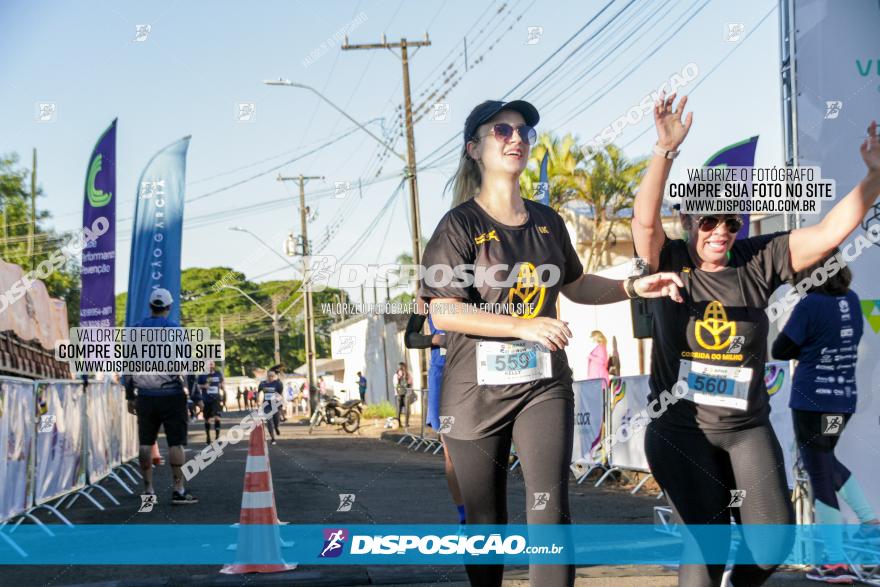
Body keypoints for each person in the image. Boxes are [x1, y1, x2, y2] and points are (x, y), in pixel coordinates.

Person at [420, 99, 683, 587]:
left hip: (542, 382)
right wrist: (522, 325)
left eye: (524, 131)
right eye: (502, 130)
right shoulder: (459, 226)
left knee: (550, 509)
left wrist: (630, 286)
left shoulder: (549, 221)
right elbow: (444, 308)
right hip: (473, 392)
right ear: (474, 148)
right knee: (485, 521)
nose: (516, 137)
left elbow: (577, 285)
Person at [633, 93, 880, 586]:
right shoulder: (670, 259)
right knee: (706, 542)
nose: (720, 232)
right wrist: (664, 151)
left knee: (771, 546)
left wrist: (874, 178)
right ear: (688, 222)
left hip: (745, 428)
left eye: (730, 222)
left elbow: (830, 231)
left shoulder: (758, 258)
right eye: (709, 221)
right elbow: (643, 221)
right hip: (680, 430)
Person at [772, 254, 880, 583]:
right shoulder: (850, 301)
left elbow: (780, 348)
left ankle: (836, 563)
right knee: (824, 461)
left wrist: (808, 346)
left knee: (819, 472)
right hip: (841, 403)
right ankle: (870, 526)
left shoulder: (809, 305)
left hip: (811, 401)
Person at [124, 288, 198, 505]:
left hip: (145, 395)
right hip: (172, 394)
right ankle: (179, 490)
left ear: (150, 307)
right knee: (176, 443)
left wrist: (130, 396)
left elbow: (127, 369)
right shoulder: (176, 331)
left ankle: (148, 491)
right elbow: (188, 367)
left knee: (146, 443)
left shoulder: (135, 331)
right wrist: (194, 396)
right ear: (169, 307)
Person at [405, 300, 466, 527]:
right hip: (443, 374)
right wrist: (434, 339)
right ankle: (465, 519)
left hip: (477, 370)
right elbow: (410, 338)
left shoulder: (478, 284)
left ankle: (486, 514)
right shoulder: (426, 298)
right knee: (451, 450)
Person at [258, 369, 283, 445]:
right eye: (269, 376)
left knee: (276, 421)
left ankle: (276, 427)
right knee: (269, 422)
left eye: (272, 376)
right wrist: (257, 401)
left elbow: (280, 393)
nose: (271, 377)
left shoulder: (277, 383)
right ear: (267, 376)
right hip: (267, 406)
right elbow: (258, 392)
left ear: (274, 376)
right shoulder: (263, 384)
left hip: (275, 405)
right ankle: (272, 438)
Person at [201, 361, 224, 443]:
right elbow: (196, 386)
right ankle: (208, 437)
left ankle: (217, 437)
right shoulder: (202, 375)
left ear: (214, 365)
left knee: (217, 418)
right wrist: (204, 386)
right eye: (209, 364)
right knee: (207, 419)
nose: (210, 365)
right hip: (206, 400)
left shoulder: (218, 374)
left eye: (212, 364)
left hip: (216, 399)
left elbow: (222, 383)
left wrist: (222, 386)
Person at [392, 362, 412, 428]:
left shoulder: (396, 375)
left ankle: (399, 424)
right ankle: (406, 424)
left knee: (398, 409)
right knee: (407, 409)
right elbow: (410, 383)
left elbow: (395, 384)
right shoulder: (408, 374)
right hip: (406, 393)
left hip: (398, 394)